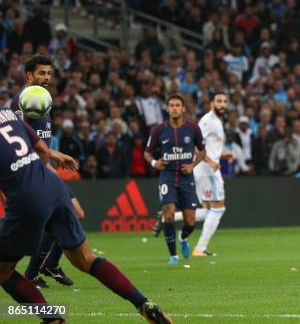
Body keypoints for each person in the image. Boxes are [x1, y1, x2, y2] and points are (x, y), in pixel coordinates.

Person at [0, 107, 172, 324]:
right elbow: (43, 150)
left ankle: (53, 319)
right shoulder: (7, 113)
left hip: (27, 199)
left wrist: (24, 191)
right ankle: (144, 304)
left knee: (3, 272)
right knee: (85, 259)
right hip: (53, 186)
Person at [13, 55, 86, 289]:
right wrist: (53, 156)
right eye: (41, 73)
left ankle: (47, 266)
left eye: (48, 73)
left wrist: (53, 158)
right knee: (61, 218)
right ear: (29, 76)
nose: (46, 77)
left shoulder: (44, 100)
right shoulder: (21, 104)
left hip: (46, 172)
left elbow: (41, 140)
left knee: (76, 215)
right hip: (31, 174)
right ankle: (33, 272)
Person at [144, 95, 206, 265]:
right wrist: (155, 162)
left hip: (187, 178)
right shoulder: (158, 130)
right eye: (171, 105)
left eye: (178, 105)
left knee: (190, 222)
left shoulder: (193, 128)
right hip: (167, 177)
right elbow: (147, 153)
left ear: (183, 109)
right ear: (167, 109)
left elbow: (202, 151)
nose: (174, 108)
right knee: (169, 214)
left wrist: (193, 165)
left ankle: (183, 237)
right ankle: (173, 256)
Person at [192, 92, 234, 256]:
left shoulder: (216, 121)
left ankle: (171, 217)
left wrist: (223, 154)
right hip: (207, 171)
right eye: (219, 101)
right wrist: (210, 161)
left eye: (224, 101)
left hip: (204, 170)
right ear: (211, 103)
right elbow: (196, 145)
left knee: (209, 210)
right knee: (218, 209)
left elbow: (208, 146)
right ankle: (200, 248)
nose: (222, 104)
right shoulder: (209, 121)